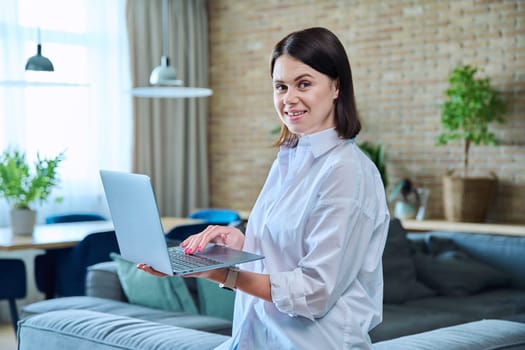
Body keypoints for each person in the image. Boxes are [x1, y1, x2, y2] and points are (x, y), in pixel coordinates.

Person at [139, 27, 390, 349]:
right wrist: (241, 243)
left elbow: (315, 291)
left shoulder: (347, 171)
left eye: (304, 84)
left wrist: (223, 274)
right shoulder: (288, 158)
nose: (289, 99)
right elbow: (285, 252)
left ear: (336, 86)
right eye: (280, 87)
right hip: (254, 337)